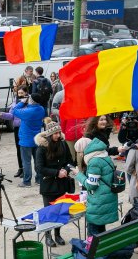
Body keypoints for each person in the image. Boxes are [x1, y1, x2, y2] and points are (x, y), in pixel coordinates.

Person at [35, 119, 74, 247]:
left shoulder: (63, 144)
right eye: (55, 133)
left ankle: (57, 234)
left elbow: (70, 161)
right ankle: (48, 236)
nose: (58, 135)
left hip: (61, 184)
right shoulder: (42, 148)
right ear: (49, 134)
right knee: (49, 212)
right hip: (49, 185)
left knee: (60, 211)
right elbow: (39, 168)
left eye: (59, 132)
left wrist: (66, 170)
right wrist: (56, 173)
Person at [74, 137, 119, 237]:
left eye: (80, 152)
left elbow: (91, 185)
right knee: (101, 231)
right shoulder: (103, 155)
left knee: (93, 235)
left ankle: (97, 253)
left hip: (99, 202)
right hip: (107, 197)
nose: (80, 155)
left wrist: (78, 174)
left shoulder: (94, 161)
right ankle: (103, 251)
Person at [12, 93, 46, 187]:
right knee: (37, 160)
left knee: (26, 161)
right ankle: (39, 179)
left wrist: (22, 102)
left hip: (26, 139)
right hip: (37, 139)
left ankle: (27, 181)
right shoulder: (41, 109)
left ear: (32, 100)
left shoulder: (28, 111)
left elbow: (14, 111)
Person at [0, 85, 28, 178]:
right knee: (18, 149)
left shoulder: (29, 102)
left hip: (25, 127)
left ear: (26, 93)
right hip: (16, 128)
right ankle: (20, 168)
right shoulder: (15, 102)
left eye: (22, 93)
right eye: (18, 93)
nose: (20, 95)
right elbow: (11, 115)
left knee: (25, 149)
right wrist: (2, 114)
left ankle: (26, 169)